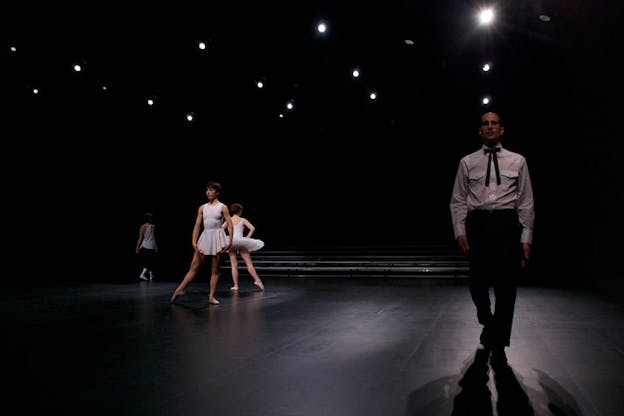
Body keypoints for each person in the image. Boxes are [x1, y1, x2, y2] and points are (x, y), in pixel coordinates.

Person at [449, 111, 535, 353]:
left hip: (506, 224)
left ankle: (499, 339)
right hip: (478, 224)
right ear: (479, 130)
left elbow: (526, 201)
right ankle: (488, 321)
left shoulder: (518, 161)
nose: (489, 127)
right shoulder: (467, 162)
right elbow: (457, 199)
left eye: (494, 123)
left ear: (501, 129)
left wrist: (526, 236)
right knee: (477, 282)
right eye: (485, 124)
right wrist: (460, 230)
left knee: (506, 284)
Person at [170, 181, 233, 305]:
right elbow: (197, 225)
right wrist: (194, 241)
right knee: (194, 267)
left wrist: (229, 242)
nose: (208, 192)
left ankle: (211, 297)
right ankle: (179, 290)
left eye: (211, 190)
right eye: (207, 190)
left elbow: (230, 225)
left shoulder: (222, 207)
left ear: (217, 192)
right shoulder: (202, 207)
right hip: (205, 237)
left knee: (215, 270)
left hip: (217, 238)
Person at [223, 202, 265, 291]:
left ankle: (236, 285)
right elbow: (252, 228)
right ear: (240, 211)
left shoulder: (228, 220)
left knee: (233, 265)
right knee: (248, 263)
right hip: (240, 241)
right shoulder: (242, 219)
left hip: (231, 242)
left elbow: (220, 229)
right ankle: (257, 280)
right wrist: (246, 238)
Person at [135, 212, 158, 281]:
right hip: (151, 245)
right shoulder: (152, 226)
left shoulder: (142, 227)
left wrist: (137, 247)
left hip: (144, 246)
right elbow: (153, 237)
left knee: (148, 261)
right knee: (150, 261)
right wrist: (156, 247)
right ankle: (142, 274)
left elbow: (140, 238)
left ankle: (151, 276)